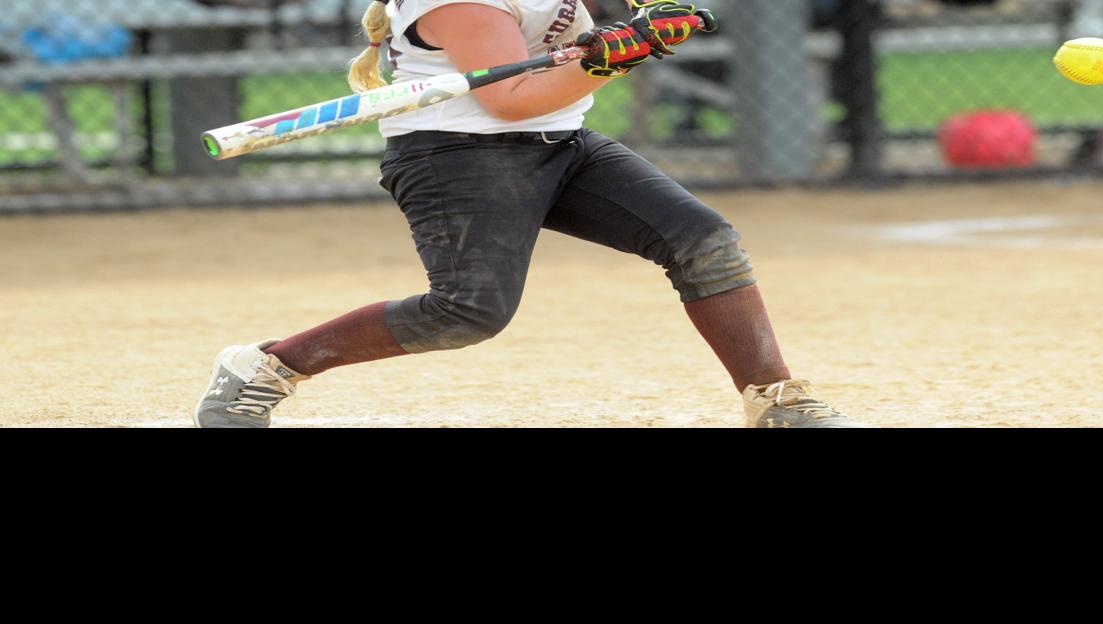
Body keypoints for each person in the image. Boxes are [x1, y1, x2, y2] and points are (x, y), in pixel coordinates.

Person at [195, 0, 864, 428]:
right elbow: (512, 100)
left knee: (703, 240)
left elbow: (618, 23)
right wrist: (613, 60)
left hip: (564, 143)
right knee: (468, 312)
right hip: (455, 154)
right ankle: (268, 366)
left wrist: (645, 23)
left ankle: (776, 401)